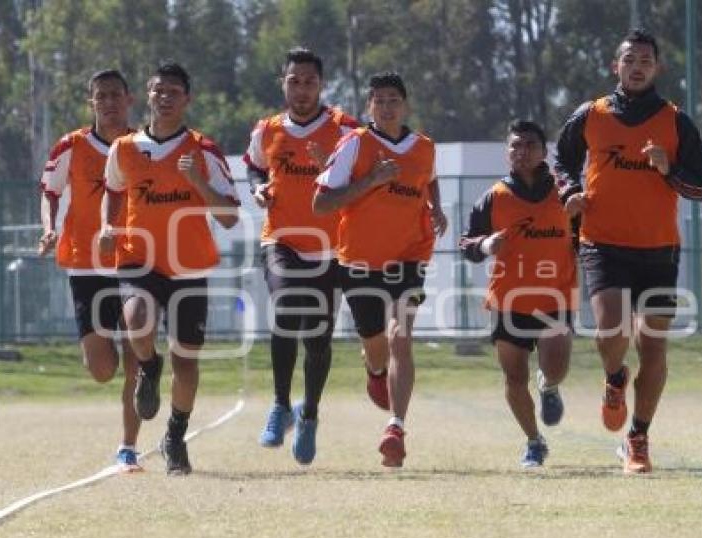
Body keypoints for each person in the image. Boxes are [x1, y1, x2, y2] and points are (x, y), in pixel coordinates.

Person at [554, 29, 702, 473]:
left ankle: (638, 438)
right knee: (611, 332)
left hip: (659, 249)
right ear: (615, 66)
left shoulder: (676, 121)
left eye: (646, 60)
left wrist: (669, 168)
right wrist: (570, 190)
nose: (638, 66)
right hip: (602, 242)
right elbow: (561, 160)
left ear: (657, 67)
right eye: (630, 59)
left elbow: (701, 187)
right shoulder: (592, 114)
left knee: (654, 348)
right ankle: (614, 377)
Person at [101, 62, 240, 475]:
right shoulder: (124, 148)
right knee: (135, 319)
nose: (165, 97)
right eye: (158, 90)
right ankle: (147, 365)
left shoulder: (204, 150)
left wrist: (197, 180)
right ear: (147, 95)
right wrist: (109, 224)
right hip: (138, 257)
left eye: (174, 92)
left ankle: (175, 436)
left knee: (187, 364)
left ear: (187, 99)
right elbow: (113, 190)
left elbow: (230, 216)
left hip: (188, 265)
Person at [313, 72, 447, 467]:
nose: (387, 107)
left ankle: (396, 427)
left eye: (394, 100)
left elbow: (430, 180)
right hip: (358, 260)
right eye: (379, 101)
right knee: (377, 346)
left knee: (399, 336)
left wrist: (435, 208)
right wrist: (372, 180)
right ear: (369, 107)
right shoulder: (355, 145)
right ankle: (374, 369)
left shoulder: (423, 147)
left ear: (405, 105)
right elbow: (322, 204)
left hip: (410, 255)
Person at [244, 47, 359, 465]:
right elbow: (254, 166)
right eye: (294, 81)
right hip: (282, 239)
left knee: (318, 337)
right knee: (287, 309)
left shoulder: (346, 128)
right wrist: (257, 186)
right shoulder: (267, 130)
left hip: (331, 246)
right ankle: (279, 403)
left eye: (310, 81)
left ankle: (308, 414)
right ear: (283, 82)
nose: (302, 89)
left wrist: (327, 168)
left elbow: (363, 175)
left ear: (321, 85)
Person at [38, 69, 142, 472]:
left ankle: (128, 448)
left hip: (134, 261)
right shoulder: (72, 146)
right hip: (85, 265)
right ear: (91, 102)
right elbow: (49, 191)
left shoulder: (141, 146)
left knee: (136, 359)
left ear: (129, 99)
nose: (110, 102)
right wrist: (48, 228)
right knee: (102, 370)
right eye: (102, 96)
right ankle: (120, 348)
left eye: (116, 94)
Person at [460, 120, 577, 468]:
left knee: (555, 367)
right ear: (507, 152)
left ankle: (550, 387)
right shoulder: (493, 198)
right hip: (509, 299)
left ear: (544, 151)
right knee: (514, 377)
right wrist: (485, 243)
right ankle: (533, 441)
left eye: (529, 145)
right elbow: (466, 243)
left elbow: (590, 232)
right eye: (515, 146)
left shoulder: (565, 193)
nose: (521, 151)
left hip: (555, 295)